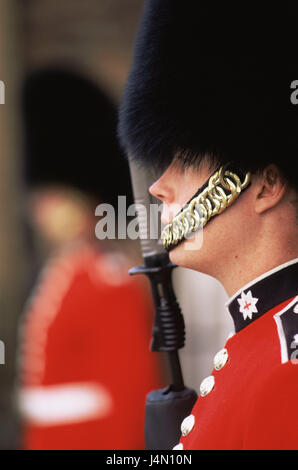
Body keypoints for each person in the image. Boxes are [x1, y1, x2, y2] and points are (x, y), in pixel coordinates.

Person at [118, 0, 298, 450]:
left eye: (186, 159)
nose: (159, 186)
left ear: (266, 185)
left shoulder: (286, 364)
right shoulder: (256, 345)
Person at [18, 67, 164, 450]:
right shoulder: (63, 271)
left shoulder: (110, 280)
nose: (41, 209)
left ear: (85, 199)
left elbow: (132, 396)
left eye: (55, 196)